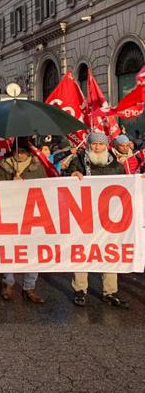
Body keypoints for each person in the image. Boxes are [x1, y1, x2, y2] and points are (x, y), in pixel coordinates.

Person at [66, 131, 129, 308]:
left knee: (110, 253)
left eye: (101, 144)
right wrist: (72, 176)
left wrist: (138, 181)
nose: (97, 147)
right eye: (94, 144)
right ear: (89, 145)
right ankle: (80, 290)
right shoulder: (78, 161)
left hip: (109, 218)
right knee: (81, 252)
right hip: (83, 216)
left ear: (106, 146)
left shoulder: (116, 166)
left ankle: (110, 292)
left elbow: (125, 188)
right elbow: (64, 182)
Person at [0, 140, 46, 303]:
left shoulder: (37, 167)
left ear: (29, 152)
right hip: (10, 214)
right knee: (9, 250)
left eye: (24, 151)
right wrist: (12, 184)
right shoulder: (5, 167)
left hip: (32, 215)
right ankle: (8, 283)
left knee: (32, 251)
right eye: (18, 150)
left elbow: (46, 188)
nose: (20, 154)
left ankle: (29, 287)